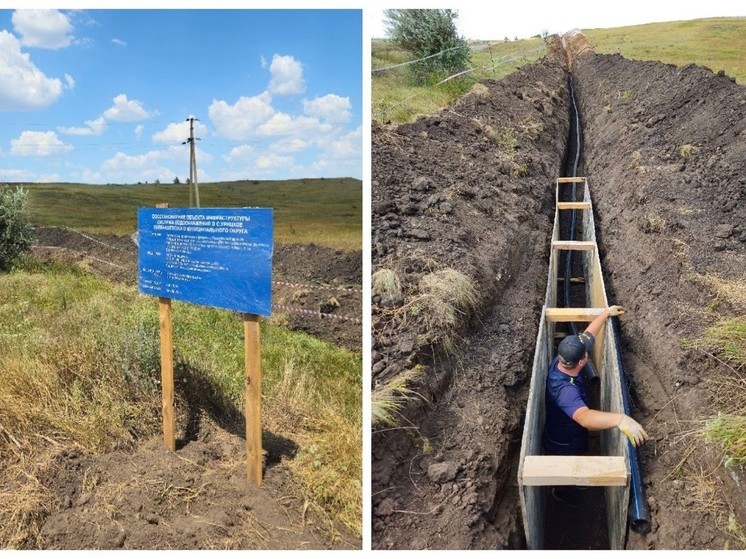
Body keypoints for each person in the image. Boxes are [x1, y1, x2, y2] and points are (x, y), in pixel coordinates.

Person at [543, 305, 648, 506]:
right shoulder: (565, 391)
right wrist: (620, 419)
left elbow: (589, 333)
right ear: (583, 361)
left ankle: (576, 480)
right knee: (565, 472)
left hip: (573, 433)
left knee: (581, 452)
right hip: (563, 441)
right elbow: (585, 419)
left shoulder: (563, 359)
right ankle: (560, 493)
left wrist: (606, 313)